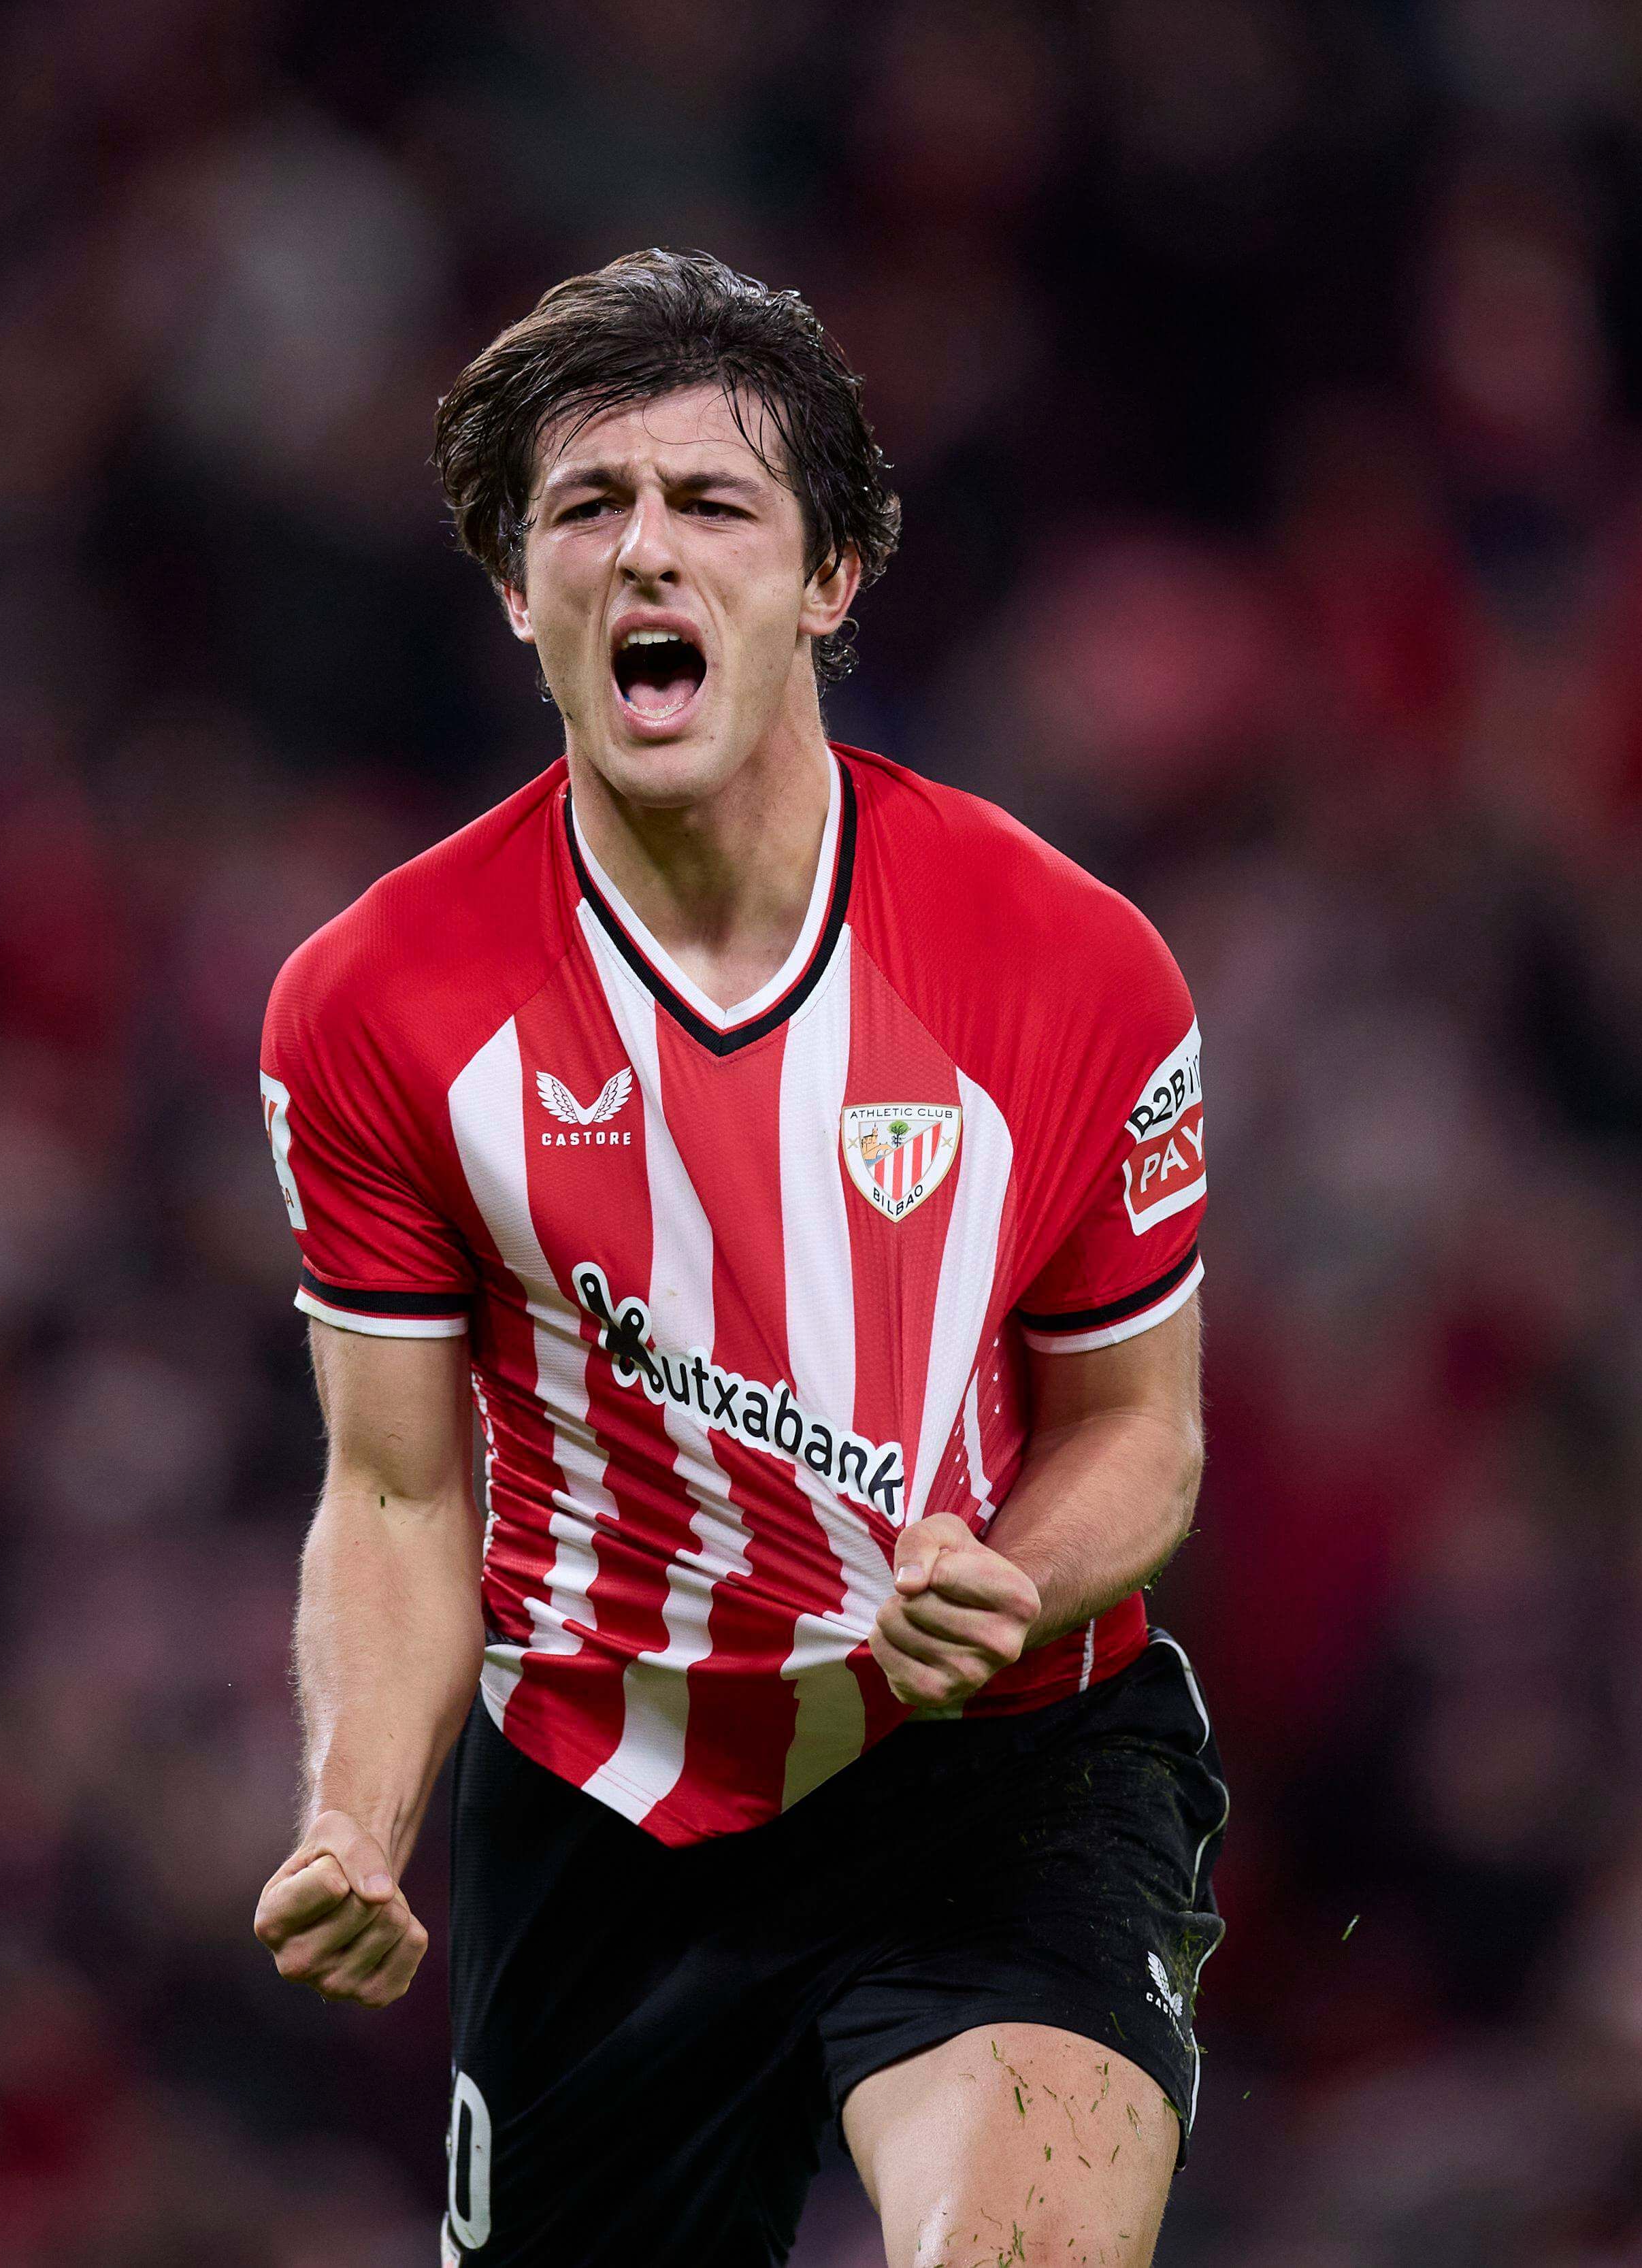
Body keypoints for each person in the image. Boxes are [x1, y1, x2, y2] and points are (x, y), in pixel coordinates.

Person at [250, 248, 1223, 2268]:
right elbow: (398, 1486)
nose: (645, 559)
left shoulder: (1068, 964)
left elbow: (1142, 1426)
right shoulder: (375, 1003)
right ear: (520, 592)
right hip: (608, 1800)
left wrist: (1016, 1575)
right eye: (586, 511)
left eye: (713, 506)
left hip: (995, 1769)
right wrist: (355, 1812)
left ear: (831, 576)